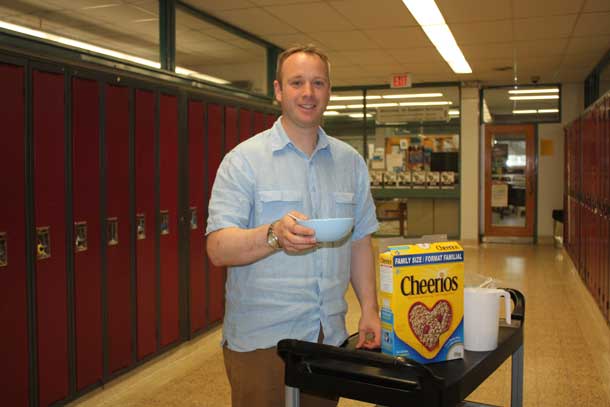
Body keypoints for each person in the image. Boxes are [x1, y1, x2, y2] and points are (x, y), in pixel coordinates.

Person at [206, 44, 381, 407]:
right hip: (262, 340)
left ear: (329, 91)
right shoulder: (243, 161)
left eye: (318, 83)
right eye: (297, 82)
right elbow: (217, 248)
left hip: (326, 336)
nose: (308, 92)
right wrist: (273, 235)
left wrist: (369, 309)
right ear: (278, 91)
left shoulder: (350, 163)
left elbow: (361, 239)